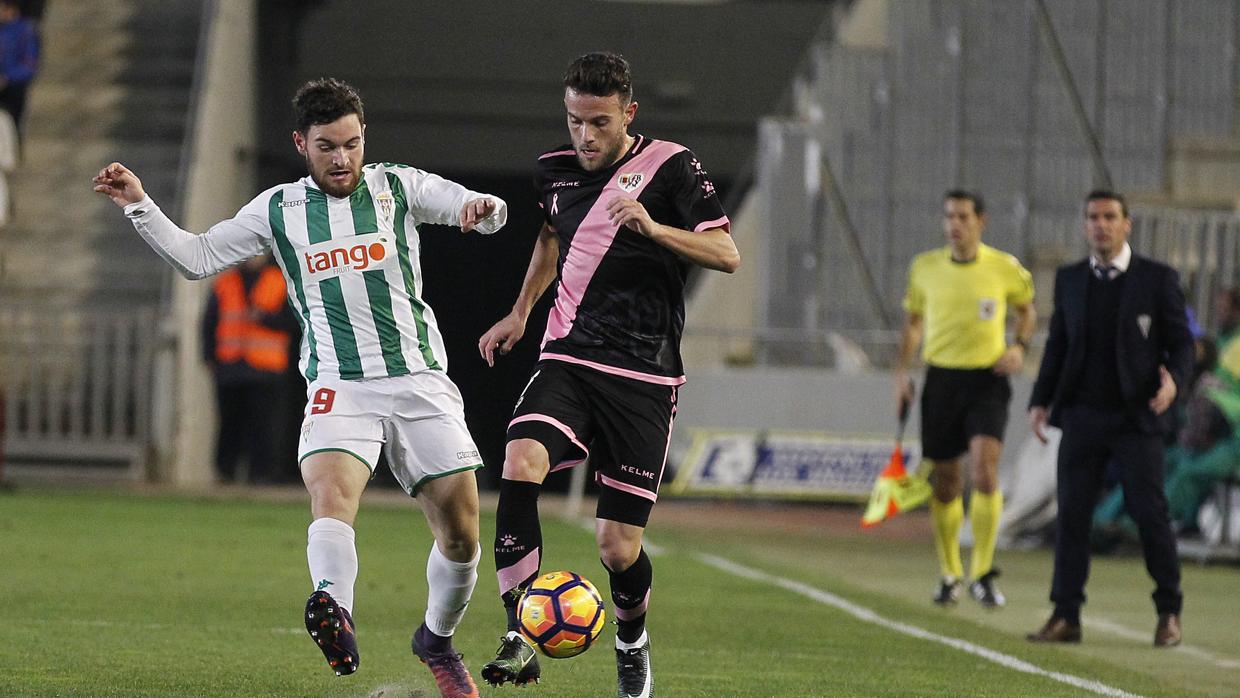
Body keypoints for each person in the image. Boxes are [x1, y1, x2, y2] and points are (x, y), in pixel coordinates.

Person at [93, 77, 506, 698]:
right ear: (300, 144)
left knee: (462, 534)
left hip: (419, 379)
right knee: (332, 495)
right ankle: (333, 608)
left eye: (351, 144)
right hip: (339, 383)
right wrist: (139, 204)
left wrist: (487, 210)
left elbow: (473, 205)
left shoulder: (397, 186)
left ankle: (437, 641)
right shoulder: (278, 209)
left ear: (364, 137)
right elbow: (198, 257)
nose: (342, 159)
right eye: (327, 147)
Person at [475, 52, 739, 697]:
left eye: (599, 122)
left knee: (618, 549)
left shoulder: (671, 166)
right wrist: (520, 312)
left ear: (629, 113)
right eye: (574, 121)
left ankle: (631, 643)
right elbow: (548, 235)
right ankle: (518, 633)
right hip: (567, 354)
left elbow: (726, 252)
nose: (585, 137)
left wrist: (654, 227)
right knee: (518, 461)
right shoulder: (554, 172)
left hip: (644, 376)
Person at [1027, 190, 1193, 648]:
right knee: (1072, 518)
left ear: (1127, 224)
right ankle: (1066, 615)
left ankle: (1168, 611)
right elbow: (1058, 345)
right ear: (1084, 226)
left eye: (1109, 217)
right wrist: (1040, 400)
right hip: (1081, 414)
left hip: (1136, 418)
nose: (1101, 225)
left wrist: (1175, 381)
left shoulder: (1157, 279)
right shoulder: (1070, 280)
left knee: (1150, 515)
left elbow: (1182, 344)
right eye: (1093, 217)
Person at [894, 190, 1035, 609]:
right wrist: (902, 373)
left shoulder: (1004, 268)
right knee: (946, 479)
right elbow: (914, 323)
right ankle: (950, 572)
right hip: (941, 380)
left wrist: (1020, 347)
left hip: (987, 380)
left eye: (962, 217)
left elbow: (1027, 310)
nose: (954, 224)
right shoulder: (925, 267)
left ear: (981, 221)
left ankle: (983, 572)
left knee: (985, 471)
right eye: (949, 216)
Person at [201, 253, 299, 484]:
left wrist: (266, 319)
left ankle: (262, 475)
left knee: (264, 426)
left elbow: (295, 322)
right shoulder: (225, 283)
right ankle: (225, 473)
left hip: (267, 368)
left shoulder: (281, 281)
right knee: (229, 425)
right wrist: (208, 357)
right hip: (231, 367)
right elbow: (209, 322)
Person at [0, 0, 38, 137]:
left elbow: (29, 64)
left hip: (14, 87)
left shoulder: (24, 30)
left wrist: (8, 77)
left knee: (11, 127)